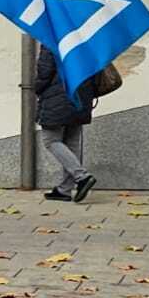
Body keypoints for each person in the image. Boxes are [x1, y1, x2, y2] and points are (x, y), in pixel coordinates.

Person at [35, 45, 98, 203]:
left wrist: (36, 88)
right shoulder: (85, 37)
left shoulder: (52, 38)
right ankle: (65, 190)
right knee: (72, 142)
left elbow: (45, 72)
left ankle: (82, 177)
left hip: (58, 95)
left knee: (50, 140)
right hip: (82, 93)